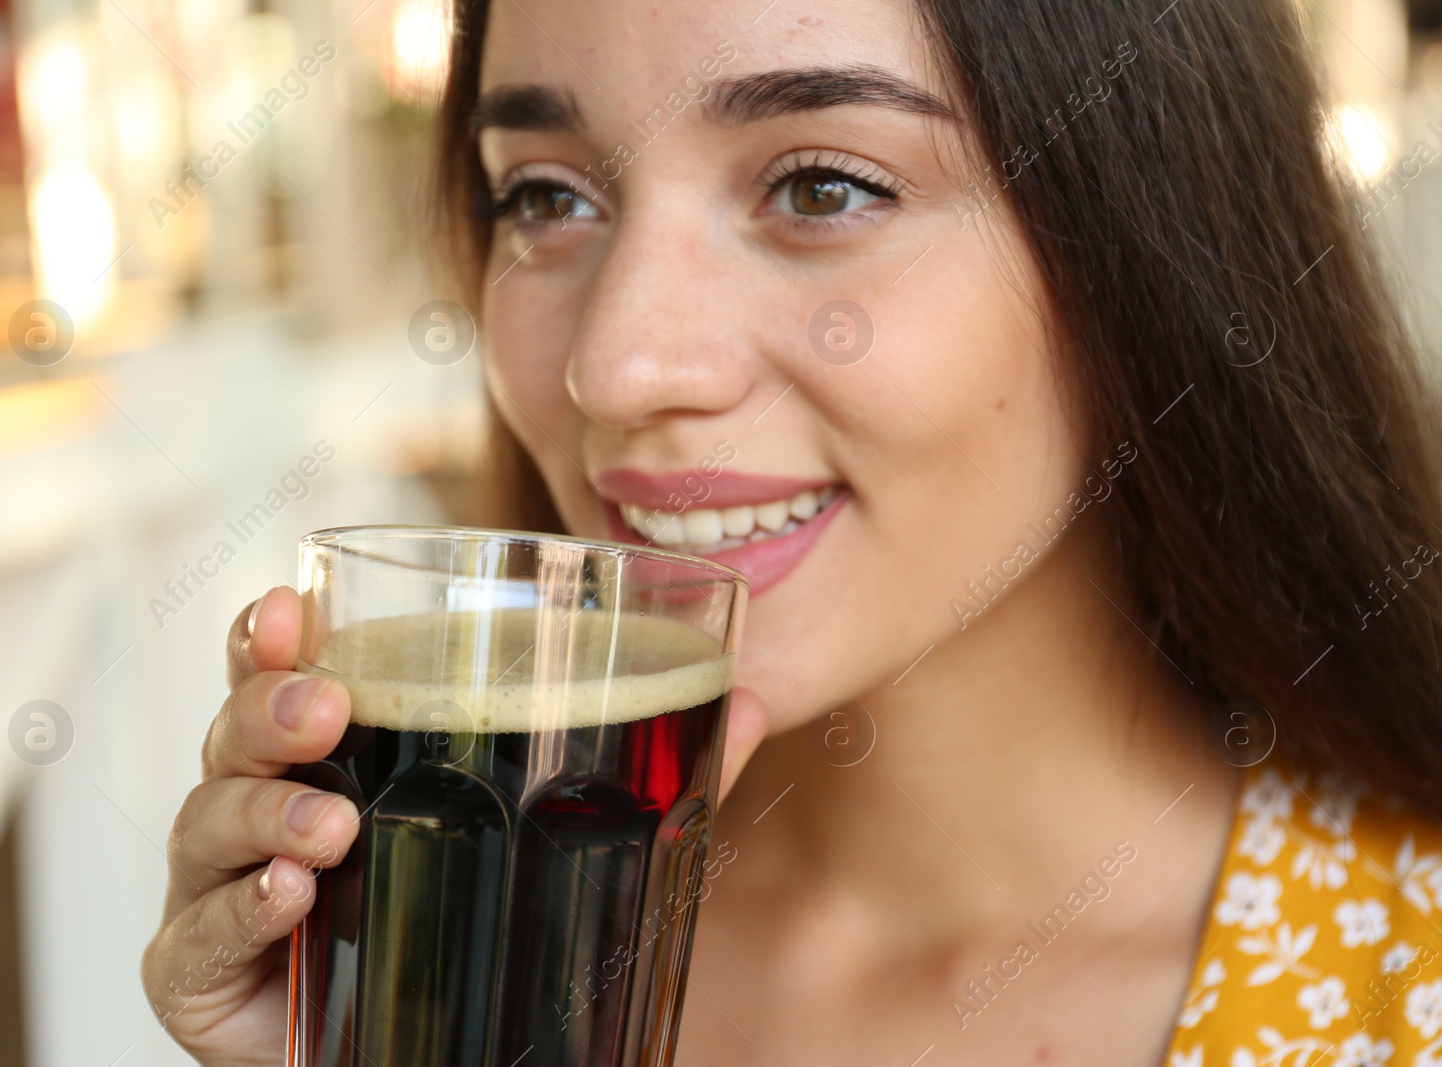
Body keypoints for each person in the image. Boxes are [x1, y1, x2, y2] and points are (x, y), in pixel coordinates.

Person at [141, 0, 1442, 1062]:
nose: (619, 363)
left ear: (1158, 233)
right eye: (544, 197)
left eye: (824, 186)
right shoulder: (482, 949)